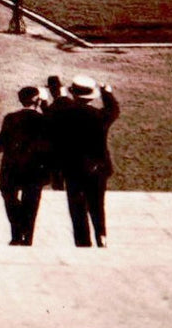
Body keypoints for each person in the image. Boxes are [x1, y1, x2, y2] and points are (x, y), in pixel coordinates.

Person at [48, 75, 120, 247]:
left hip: (72, 167)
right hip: (97, 168)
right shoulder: (99, 116)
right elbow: (113, 110)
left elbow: (56, 107)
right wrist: (107, 93)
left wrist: (59, 94)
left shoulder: (63, 113)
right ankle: (101, 235)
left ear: (73, 93)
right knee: (97, 205)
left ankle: (83, 242)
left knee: (77, 207)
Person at [0, 87, 50, 246]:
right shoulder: (44, 120)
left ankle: (16, 233)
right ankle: (28, 236)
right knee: (32, 202)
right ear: (38, 100)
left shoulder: (11, 118)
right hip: (35, 168)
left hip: (12, 167)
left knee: (10, 198)